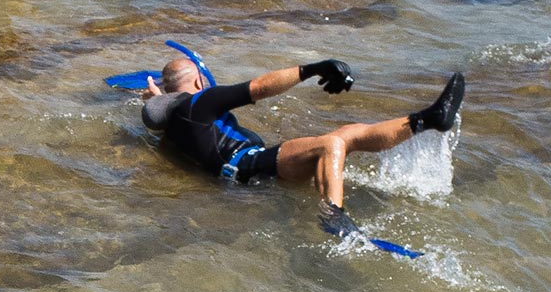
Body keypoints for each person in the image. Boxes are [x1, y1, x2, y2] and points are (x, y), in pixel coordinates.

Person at [136, 53, 465, 235]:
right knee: (331, 144)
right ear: (198, 81)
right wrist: (312, 69)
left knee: (348, 133)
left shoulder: (172, 123)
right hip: (249, 168)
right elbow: (260, 87)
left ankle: (429, 119)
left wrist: (158, 99)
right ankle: (333, 215)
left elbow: (159, 114)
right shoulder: (200, 101)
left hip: (244, 174)